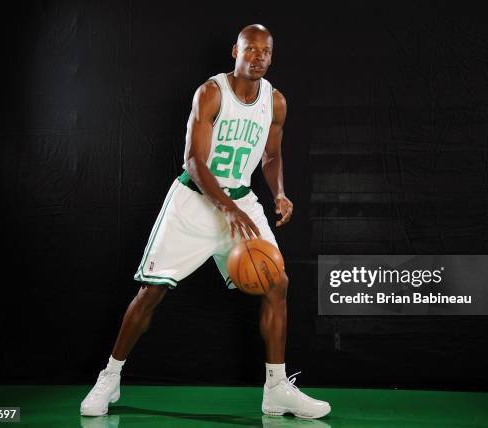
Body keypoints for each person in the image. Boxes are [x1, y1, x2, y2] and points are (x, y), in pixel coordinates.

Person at [80, 24, 331, 420]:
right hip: (195, 203)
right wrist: (226, 208)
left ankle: (277, 388)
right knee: (151, 292)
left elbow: (270, 158)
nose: (258, 57)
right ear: (235, 51)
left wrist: (279, 193)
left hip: (241, 202)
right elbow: (194, 162)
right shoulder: (212, 93)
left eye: (265, 51)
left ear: (271, 56)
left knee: (277, 282)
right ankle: (109, 378)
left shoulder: (276, 102)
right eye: (250, 49)